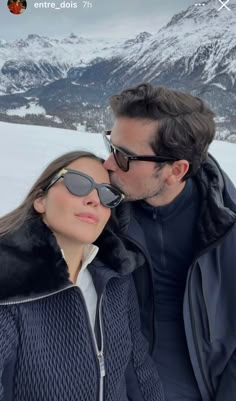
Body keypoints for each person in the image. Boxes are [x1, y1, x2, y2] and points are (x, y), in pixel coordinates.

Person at [103, 83, 236, 401]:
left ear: (175, 170)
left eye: (124, 157)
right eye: (110, 145)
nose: (108, 164)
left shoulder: (226, 229)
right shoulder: (98, 210)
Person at [0, 150, 165, 401]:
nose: (94, 199)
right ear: (40, 200)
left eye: (107, 194)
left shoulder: (116, 277)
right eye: (78, 184)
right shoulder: (10, 285)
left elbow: (138, 370)